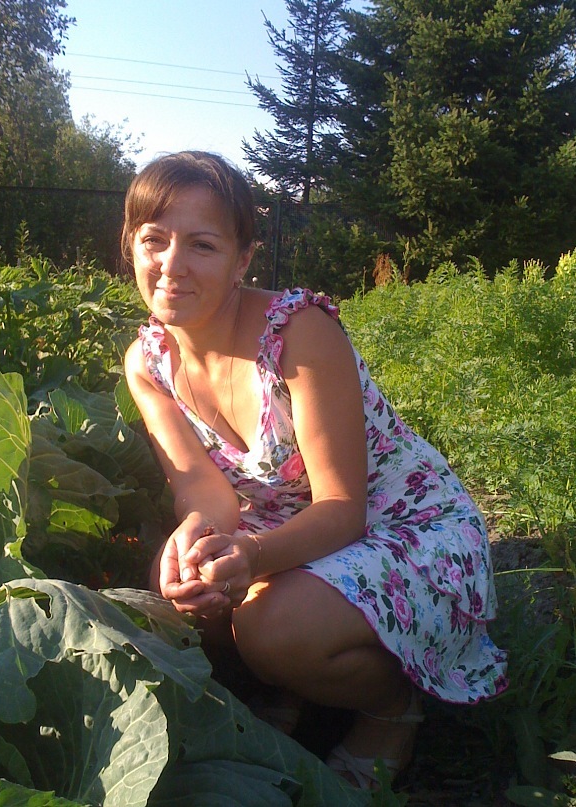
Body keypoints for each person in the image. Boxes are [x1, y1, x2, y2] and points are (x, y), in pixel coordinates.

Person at [123, 150, 508, 789]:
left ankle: (393, 710)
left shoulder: (296, 332)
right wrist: (191, 543)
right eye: (155, 240)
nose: (172, 264)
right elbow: (202, 492)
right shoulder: (148, 362)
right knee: (192, 597)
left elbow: (342, 508)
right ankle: (298, 682)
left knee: (270, 629)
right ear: (131, 245)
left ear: (243, 259)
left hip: (403, 528)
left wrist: (250, 557)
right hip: (288, 533)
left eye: (203, 245)